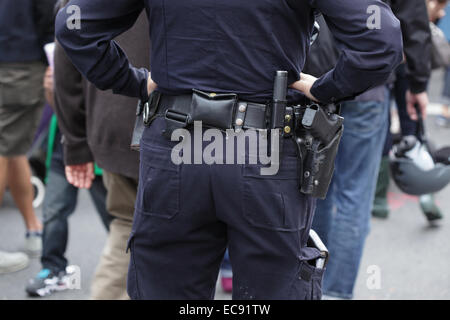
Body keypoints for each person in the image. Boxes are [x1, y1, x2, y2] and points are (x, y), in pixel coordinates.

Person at [56, 0, 403, 300]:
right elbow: (381, 38)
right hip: (264, 150)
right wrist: (327, 89)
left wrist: (129, 80)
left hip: (178, 144)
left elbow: (73, 22)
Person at [52, 0, 150, 299]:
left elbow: (66, 62)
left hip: (115, 122)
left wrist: (77, 143)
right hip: (195, 126)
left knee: (126, 229)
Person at [26, 65, 113, 298]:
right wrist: (50, 88)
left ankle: (132, 268)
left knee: (117, 219)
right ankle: (52, 269)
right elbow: (58, 103)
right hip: (65, 146)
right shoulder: (65, 40)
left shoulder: (112, 41)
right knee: (53, 211)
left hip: (100, 146)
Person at [373, 0, 446, 224]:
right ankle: (426, 194)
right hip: (407, 57)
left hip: (376, 57)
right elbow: (415, 21)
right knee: (413, 125)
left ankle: (379, 197)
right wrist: (420, 80)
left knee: (381, 124)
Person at [0, 0, 57, 256]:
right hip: (20, 61)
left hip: (14, 57)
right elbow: (50, 18)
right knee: (6, 145)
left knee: (14, 145)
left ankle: (33, 228)